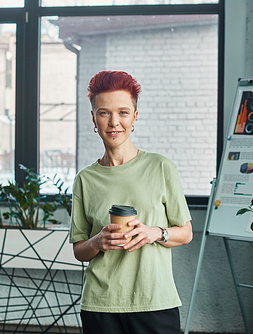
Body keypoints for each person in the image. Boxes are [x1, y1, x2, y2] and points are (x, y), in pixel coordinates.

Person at [69, 70, 193, 334]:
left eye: (123, 112)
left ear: (135, 116)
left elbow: (185, 234)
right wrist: (97, 241)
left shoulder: (161, 167)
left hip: (154, 301)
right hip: (101, 305)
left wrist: (154, 232)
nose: (114, 122)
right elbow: (79, 250)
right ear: (94, 118)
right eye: (104, 113)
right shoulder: (85, 179)